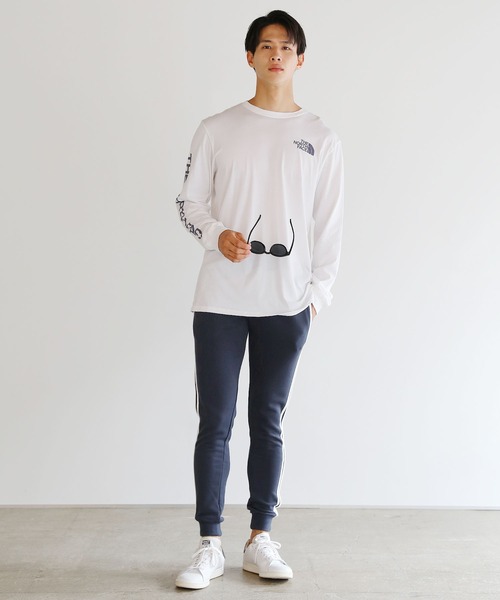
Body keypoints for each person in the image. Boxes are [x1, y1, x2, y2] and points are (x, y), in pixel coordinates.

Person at [174, 9, 344, 590]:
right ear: (249, 56)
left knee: (267, 422)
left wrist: (316, 297)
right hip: (220, 300)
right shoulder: (217, 128)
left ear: (301, 59)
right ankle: (209, 545)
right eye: (266, 46)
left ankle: (259, 539)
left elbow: (329, 224)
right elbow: (188, 202)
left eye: (287, 47)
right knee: (215, 423)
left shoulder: (321, 137)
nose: (276, 55)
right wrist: (215, 233)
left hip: (287, 304)